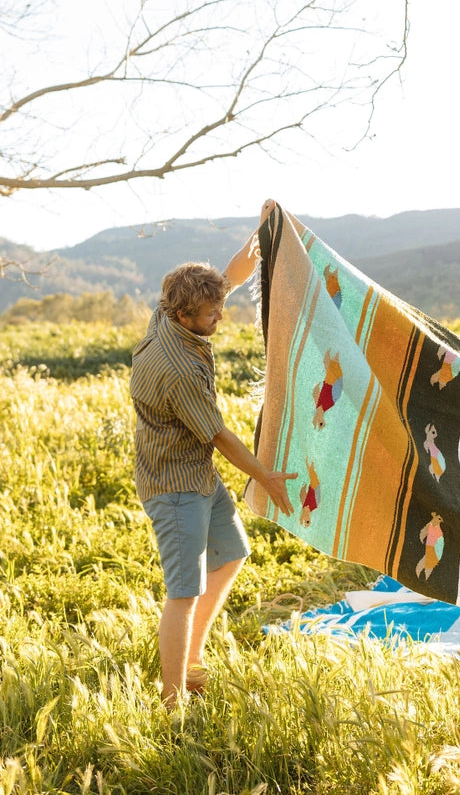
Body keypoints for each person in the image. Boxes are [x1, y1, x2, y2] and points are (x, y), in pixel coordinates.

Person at [130, 200, 296, 706]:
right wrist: (264, 476)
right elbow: (219, 435)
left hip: (197, 476)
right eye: (211, 314)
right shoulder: (176, 367)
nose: (220, 317)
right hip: (175, 487)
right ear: (183, 315)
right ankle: (172, 699)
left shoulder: (169, 310)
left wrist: (262, 233)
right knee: (183, 592)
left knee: (233, 555)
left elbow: (226, 276)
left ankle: (192, 659)